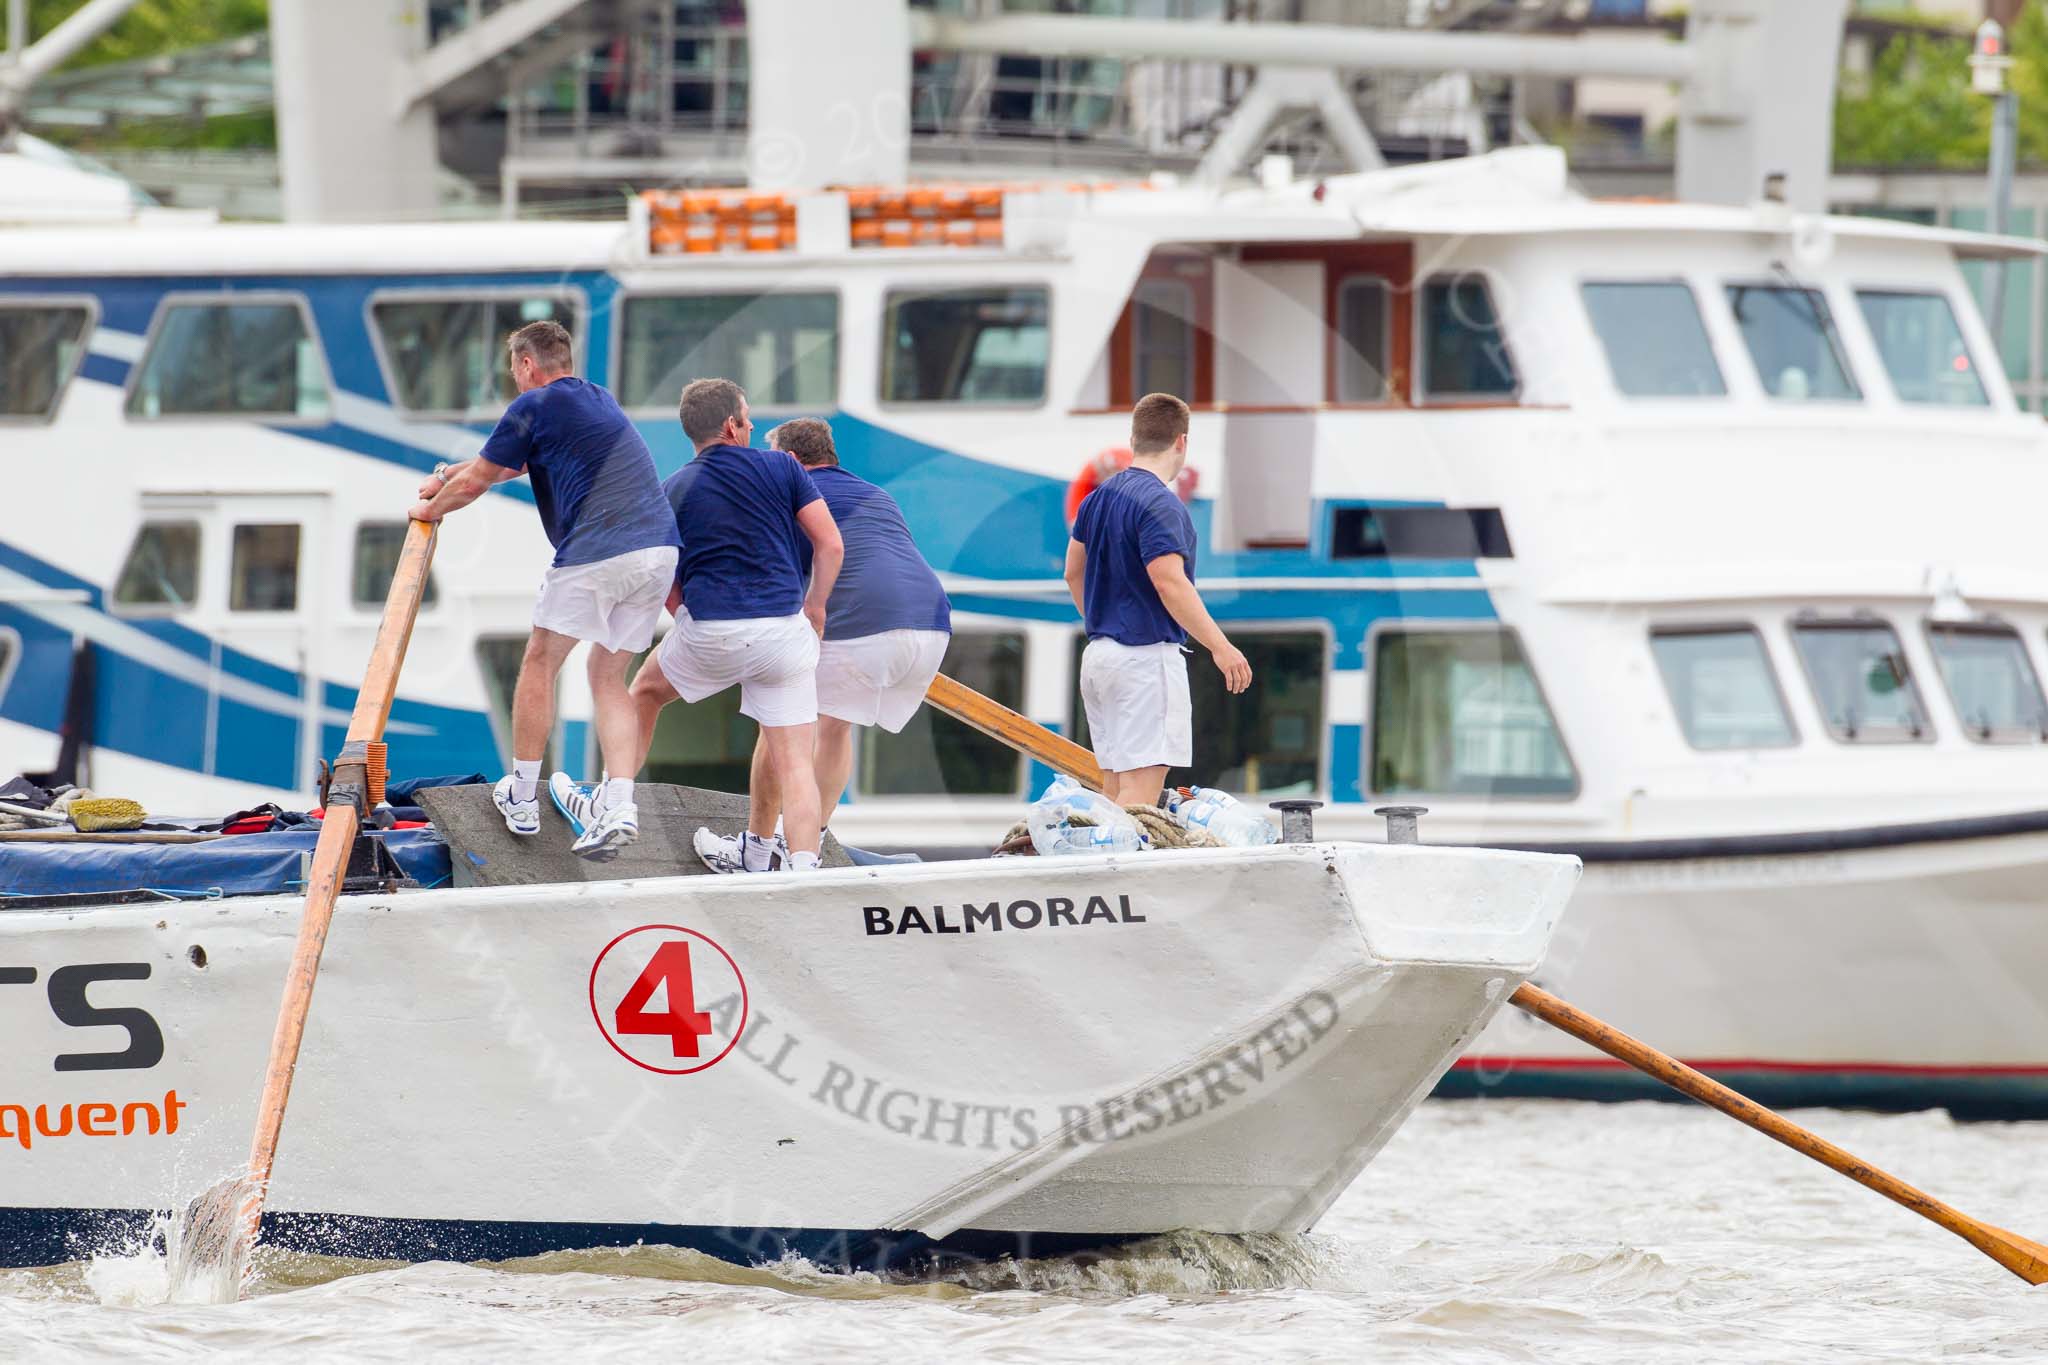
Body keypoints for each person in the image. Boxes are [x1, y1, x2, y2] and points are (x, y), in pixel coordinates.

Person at [408, 320, 678, 860]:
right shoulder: (595, 400)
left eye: (513, 370)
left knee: (539, 660)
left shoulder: (531, 406)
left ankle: (524, 794)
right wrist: (447, 474)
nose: (514, 380)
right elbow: (504, 464)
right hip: (659, 553)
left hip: (597, 552)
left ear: (528, 365)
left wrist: (429, 509)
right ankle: (619, 801)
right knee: (608, 673)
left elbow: (481, 481)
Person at [687, 417, 952, 870]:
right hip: (931, 627)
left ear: (790, 461)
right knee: (835, 725)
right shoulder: (876, 493)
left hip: (867, 626)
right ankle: (809, 840)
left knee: (778, 719)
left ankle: (756, 851)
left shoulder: (790, 495)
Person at [620, 379, 843, 873]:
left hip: (710, 633)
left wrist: (681, 615)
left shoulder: (673, 488)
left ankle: (616, 800)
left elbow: (660, 571)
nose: (753, 424)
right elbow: (830, 546)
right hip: (784, 635)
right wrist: (816, 608)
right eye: (747, 417)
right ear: (730, 426)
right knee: (796, 764)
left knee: (644, 693)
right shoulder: (783, 466)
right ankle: (805, 873)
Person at [1064, 392, 1251, 809]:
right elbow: (1169, 581)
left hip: (1099, 658)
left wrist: (1102, 619)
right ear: (1181, 442)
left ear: (1134, 439)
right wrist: (1222, 648)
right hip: (1143, 661)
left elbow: (1072, 571)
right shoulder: (1161, 504)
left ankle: (1104, 867)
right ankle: (1122, 874)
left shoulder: (1096, 499)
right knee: (1140, 797)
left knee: (1113, 791)